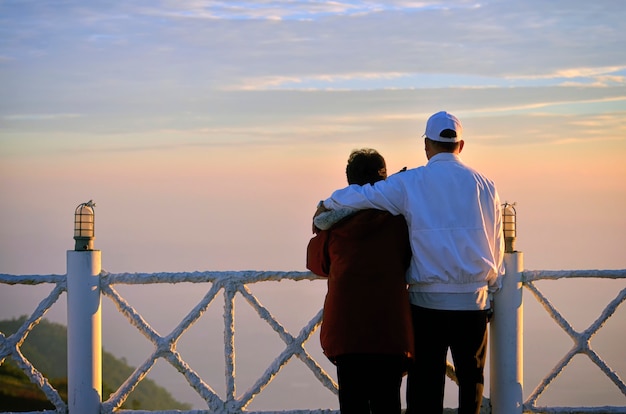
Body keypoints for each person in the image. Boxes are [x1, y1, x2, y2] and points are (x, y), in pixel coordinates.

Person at [315, 111, 505, 414]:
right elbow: (496, 248)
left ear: (427, 145)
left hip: (426, 303)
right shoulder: (486, 186)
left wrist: (328, 207)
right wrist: (492, 287)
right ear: (461, 145)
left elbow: (363, 196)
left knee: (425, 387)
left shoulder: (411, 182)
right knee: (471, 382)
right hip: (473, 301)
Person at [307, 148, 414, 414]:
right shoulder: (400, 224)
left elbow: (317, 264)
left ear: (349, 181)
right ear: (384, 180)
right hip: (389, 331)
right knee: (388, 404)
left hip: (347, 332)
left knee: (352, 406)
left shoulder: (333, 226)